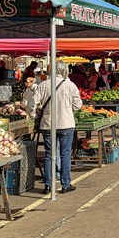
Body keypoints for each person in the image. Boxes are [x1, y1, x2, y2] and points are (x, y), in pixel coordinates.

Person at [28, 61, 82, 194]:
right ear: (65, 71)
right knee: (65, 154)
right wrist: (68, 109)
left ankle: (48, 184)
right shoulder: (70, 85)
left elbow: (31, 104)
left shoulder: (44, 85)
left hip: (48, 124)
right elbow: (78, 105)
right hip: (66, 123)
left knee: (48, 154)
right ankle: (65, 184)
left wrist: (34, 116)